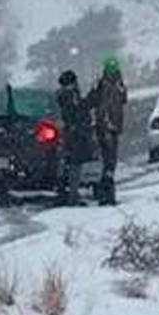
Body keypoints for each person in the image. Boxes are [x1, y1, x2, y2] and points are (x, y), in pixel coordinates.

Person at [89, 56, 128, 205]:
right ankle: (106, 193)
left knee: (107, 161)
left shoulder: (111, 83)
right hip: (107, 126)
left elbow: (122, 99)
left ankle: (105, 192)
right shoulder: (110, 83)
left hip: (108, 126)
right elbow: (122, 100)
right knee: (109, 161)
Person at [56, 70, 92, 206]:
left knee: (68, 164)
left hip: (70, 134)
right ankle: (72, 195)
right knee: (75, 165)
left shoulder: (63, 96)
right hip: (74, 135)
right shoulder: (70, 96)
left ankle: (66, 193)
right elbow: (79, 111)